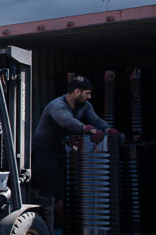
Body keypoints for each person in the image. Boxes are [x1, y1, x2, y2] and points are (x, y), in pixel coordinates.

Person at [31, 75, 120, 211]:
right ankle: (57, 228)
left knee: (70, 191)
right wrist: (86, 128)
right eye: (87, 93)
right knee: (55, 192)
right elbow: (67, 121)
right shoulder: (57, 106)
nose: (89, 97)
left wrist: (107, 129)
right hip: (45, 153)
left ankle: (68, 227)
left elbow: (96, 120)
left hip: (63, 152)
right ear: (77, 91)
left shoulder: (84, 106)